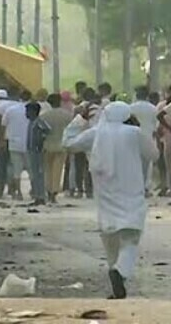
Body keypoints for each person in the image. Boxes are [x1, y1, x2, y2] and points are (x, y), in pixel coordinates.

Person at [63, 102, 159, 299]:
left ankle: (116, 279)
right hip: (131, 194)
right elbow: (154, 154)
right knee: (130, 238)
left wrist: (79, 119)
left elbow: (68, 143)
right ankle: (120, 272)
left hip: (105, 195)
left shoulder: (96, 133)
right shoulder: (134, 133)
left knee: (110, 240)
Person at [40, 93, 72, 203]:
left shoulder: (44, 116)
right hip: (61, 145)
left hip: (47, 145)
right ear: (60, 102)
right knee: (58, 170)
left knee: (48, 169)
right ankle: (54, 192)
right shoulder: (67, 115)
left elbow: (41, 132)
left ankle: (48, 190)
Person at [0, 90, 32, 200]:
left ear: (19, 97)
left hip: (13, 142)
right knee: (31, 168)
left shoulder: (10, 109)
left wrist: (2, 140)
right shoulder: (32, 110)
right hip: (29, 143)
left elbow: (3, 125)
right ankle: (34, 190)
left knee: (16, 169)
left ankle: (18, 192)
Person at [130, 86, 159, 191]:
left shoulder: (130, 108)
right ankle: (145, 186)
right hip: (148, 138)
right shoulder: (153, 108)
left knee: (133, 163)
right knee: (147, 164)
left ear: (136, 95)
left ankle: (134, 185)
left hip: (133, 139)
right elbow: (157, 125)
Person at [25, 102, 49, 205]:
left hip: (37, 151)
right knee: (34, 174)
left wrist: (41, 141)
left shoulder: (39, 121)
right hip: (31, 150)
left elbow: (47, 130)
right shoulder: (31, 122)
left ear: (34, 112)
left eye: (28, 111)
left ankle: (41, 196)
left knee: (38, 174)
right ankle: (37, 196)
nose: (26, 113)